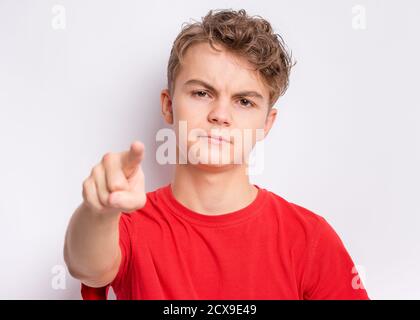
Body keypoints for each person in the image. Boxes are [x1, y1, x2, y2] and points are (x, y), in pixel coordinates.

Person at [64, 8, 369, 300]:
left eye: (244, 101)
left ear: (266, 122)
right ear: (169, 105)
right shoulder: (128, 226)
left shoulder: (309, 239)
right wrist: (100, 212)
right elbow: (88, 267)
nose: (220, 115)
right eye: (201, 93)